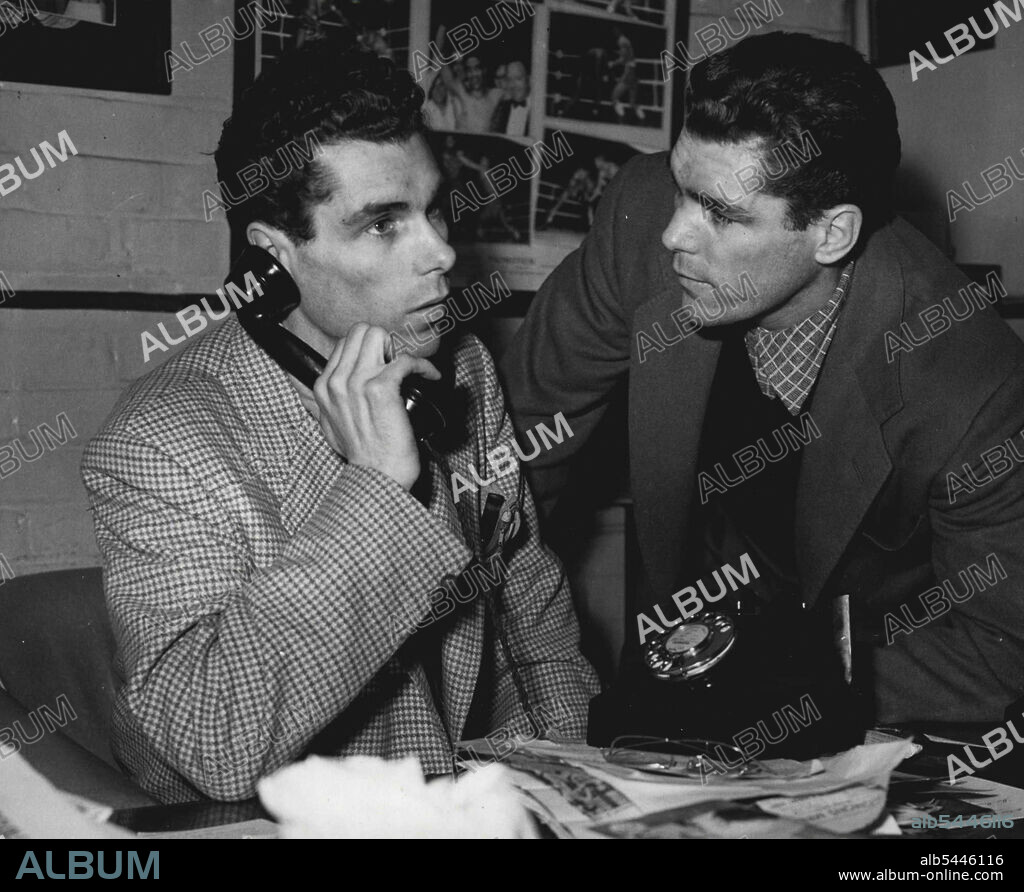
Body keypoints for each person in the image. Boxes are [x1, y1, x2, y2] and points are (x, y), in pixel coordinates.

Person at [82, 41, 597, 804]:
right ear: (272, 257)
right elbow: (217, 739)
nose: (443, 251)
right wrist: (377, 491)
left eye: (434, 209)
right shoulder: (161, 444)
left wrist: (570, 786)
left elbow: (531, 607)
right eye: (383, 225)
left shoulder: (460, 368)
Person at [501, 32, 1024, 728]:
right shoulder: (638, 219)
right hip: (671, 660)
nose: (674, 235)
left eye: (721, 213)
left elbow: (1002, 652)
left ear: (832, 234)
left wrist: (778, 677)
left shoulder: (968, 379)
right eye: (683, 188)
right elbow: (517, 462)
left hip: (868, 704)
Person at [490, 60, 532, 137]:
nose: (513, 85)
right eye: (509, 79)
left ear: (529, 80)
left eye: (518, 79)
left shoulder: (541, 109)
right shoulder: (502, 107)